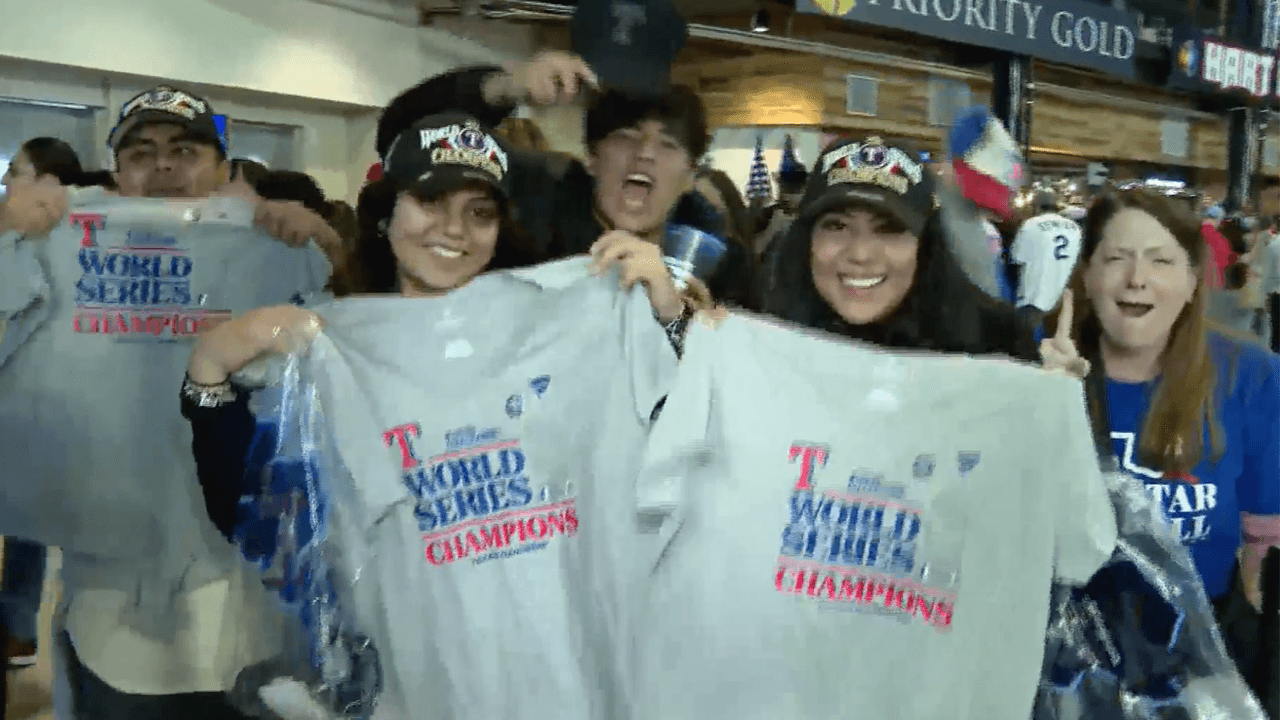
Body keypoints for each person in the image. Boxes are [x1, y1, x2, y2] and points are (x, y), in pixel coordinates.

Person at [180, 113, 700, 719]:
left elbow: (694, 446)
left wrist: (669, 318)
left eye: (480, 212)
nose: (454, 229)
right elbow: (257, 519)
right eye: (430, 201)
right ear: (386, 211)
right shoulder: (327, 343)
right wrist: (209, 371)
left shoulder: (567, 323)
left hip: (568, 676)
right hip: (412, 679)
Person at [0, 84, 340, 720]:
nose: (162, 165)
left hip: (240, 584)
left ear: (221, 168)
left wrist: (330, 249)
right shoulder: (63, 240)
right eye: (141, 153)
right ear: (118, 174)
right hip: (108, 585)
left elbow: (361, 357)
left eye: (184, 149)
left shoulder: (273, 246)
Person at [1044, 189, 1280, 673]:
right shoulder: (1034, 366)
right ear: (1087, 276)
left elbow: (1265, 534)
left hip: (1197, 647)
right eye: (1116, 258)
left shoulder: (1248, 374)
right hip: (1059, 643)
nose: (1137, 279)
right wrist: (1043, 406)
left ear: (1194, 281)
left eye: (1161, 261)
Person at [372, 51, 755, 308]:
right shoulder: (536, 203)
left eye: (668, 145)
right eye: (626, 137)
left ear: (691, 175)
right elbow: (407, 137)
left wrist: (683, 322)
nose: (646, 154)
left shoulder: (719, 266)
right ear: (591, 157)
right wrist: (505, 87)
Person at [761, 135, 1037, 360]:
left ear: (926, 245)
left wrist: (1055, 391)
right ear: (807, 240)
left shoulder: (997, 345)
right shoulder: (763, 335)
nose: (860, 254)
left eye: (890, 228)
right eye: (836, 226)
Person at [1010, 191, 1083, 319]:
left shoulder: (1031, 225)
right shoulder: (1075, 227)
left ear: (1036, 207)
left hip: (1035, 301)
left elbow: (1017, 260)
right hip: (1063, 303)